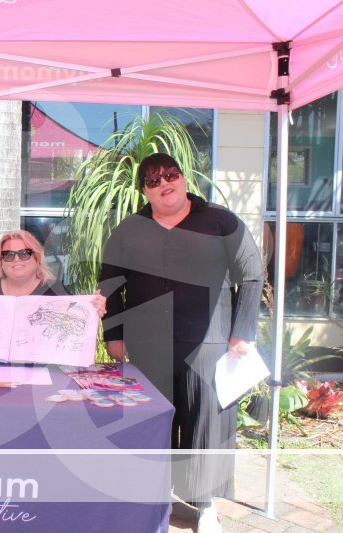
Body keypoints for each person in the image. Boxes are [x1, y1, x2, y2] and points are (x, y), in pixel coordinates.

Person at [98, 153, 263, 533]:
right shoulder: (128, 229)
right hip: (147, 343)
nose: (163, 183)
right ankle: (154, 498)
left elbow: (251, 274)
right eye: (153, 180)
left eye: (169, 175)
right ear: (144, 190)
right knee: (152, 420)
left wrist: (242, 333)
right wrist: (114, 337)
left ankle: (204, 506)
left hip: (209, 341)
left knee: (205, 421)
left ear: (183, 178)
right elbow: (109, 284)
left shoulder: (220, 220)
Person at [0, 230, 107, 317]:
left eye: (24, 254)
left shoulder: (56, 292)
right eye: (8, 255)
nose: (16, 259)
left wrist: (94, 308)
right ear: (1, 261)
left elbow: (76, 325)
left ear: (37, 257)